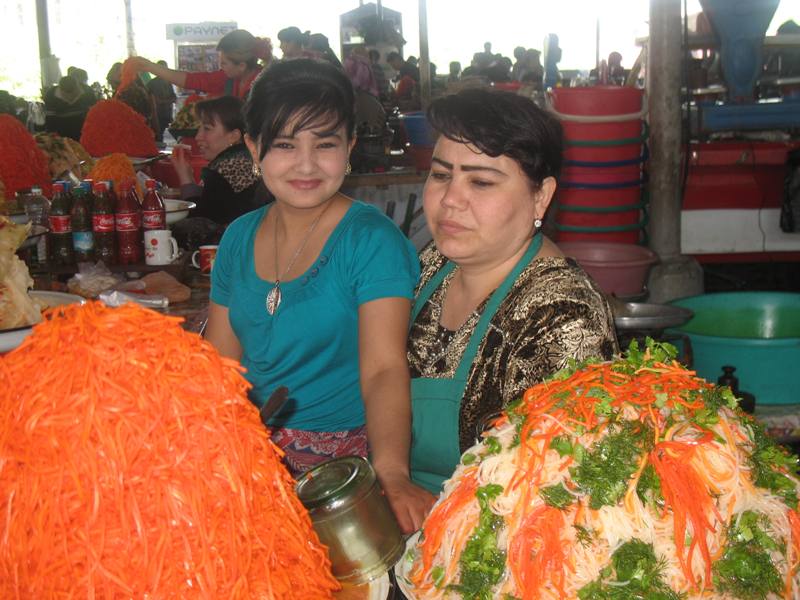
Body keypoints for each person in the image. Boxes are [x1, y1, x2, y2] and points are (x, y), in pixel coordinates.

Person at [204, 59, 426, 532]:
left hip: (338, 472)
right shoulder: (238, 237)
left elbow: (385, 369)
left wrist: (391, 473)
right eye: (285, 145)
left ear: (348, 149)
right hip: (249, 455)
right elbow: (219, 366)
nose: (306, 164)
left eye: (324, 144)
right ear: (252, 148)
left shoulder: (370, 241)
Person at [399, 88, 618, 499]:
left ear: (541, 196)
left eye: (481, 182)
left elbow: (551, 490)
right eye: (442, 174)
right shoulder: (432, 264)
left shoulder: (564, 316)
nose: (450, 200)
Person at [170, 95, 267, 226]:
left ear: (233, 136)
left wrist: (185, 179)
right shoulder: (246, 157)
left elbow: (200, 224)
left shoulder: (227, 166)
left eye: (207, 129)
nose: (198, 136)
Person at [133, 30, 272, 100]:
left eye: (224, 63)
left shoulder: (267, 86)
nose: (221, 66)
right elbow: (191, 80)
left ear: (241, 65)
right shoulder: (228, 78)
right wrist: (149, 66)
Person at [43, 74, 96, 140]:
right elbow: (50, 121)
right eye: (66, 96)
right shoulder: (51, 95)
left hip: (84, 131)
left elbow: (94, 115)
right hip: (62, 133)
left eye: (74, 94)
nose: (70, 98)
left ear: (78, 87)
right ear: (60, 90)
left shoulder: (88, 92)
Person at [147, 60, 177, 141]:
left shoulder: (168, 82)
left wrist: (165, 101)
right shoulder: (152, 83)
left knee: (161, 135)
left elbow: (174, 98)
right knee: (157, 136)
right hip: (156, 114)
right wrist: (167, 101)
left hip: (166, 113)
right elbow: (154, 101)